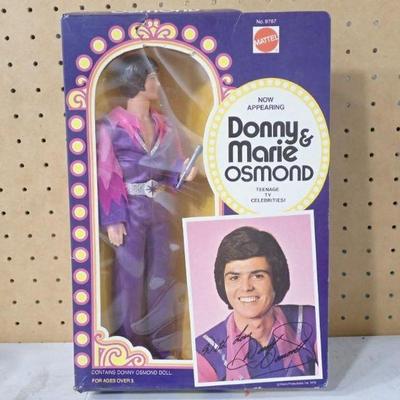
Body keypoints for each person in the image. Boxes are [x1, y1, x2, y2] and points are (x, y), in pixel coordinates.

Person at [97, 53, 197, 359]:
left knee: (161, 278)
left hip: (160, 210)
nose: (157, 83)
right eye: (152, 78)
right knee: (129, 281)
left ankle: (161, 345)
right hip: (129, 212)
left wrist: (183, 172)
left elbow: (170, 166)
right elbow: (106, 173)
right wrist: (112, 218)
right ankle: (128, 345)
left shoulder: (163, 125)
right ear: (135, 81)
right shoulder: (111, 126)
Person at [196, 226, 317, 382]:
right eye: (234, 278)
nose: (246, 287)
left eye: (258, 276)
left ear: (276, 279)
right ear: (223, 284)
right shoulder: (204, 350)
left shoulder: (309, 320)